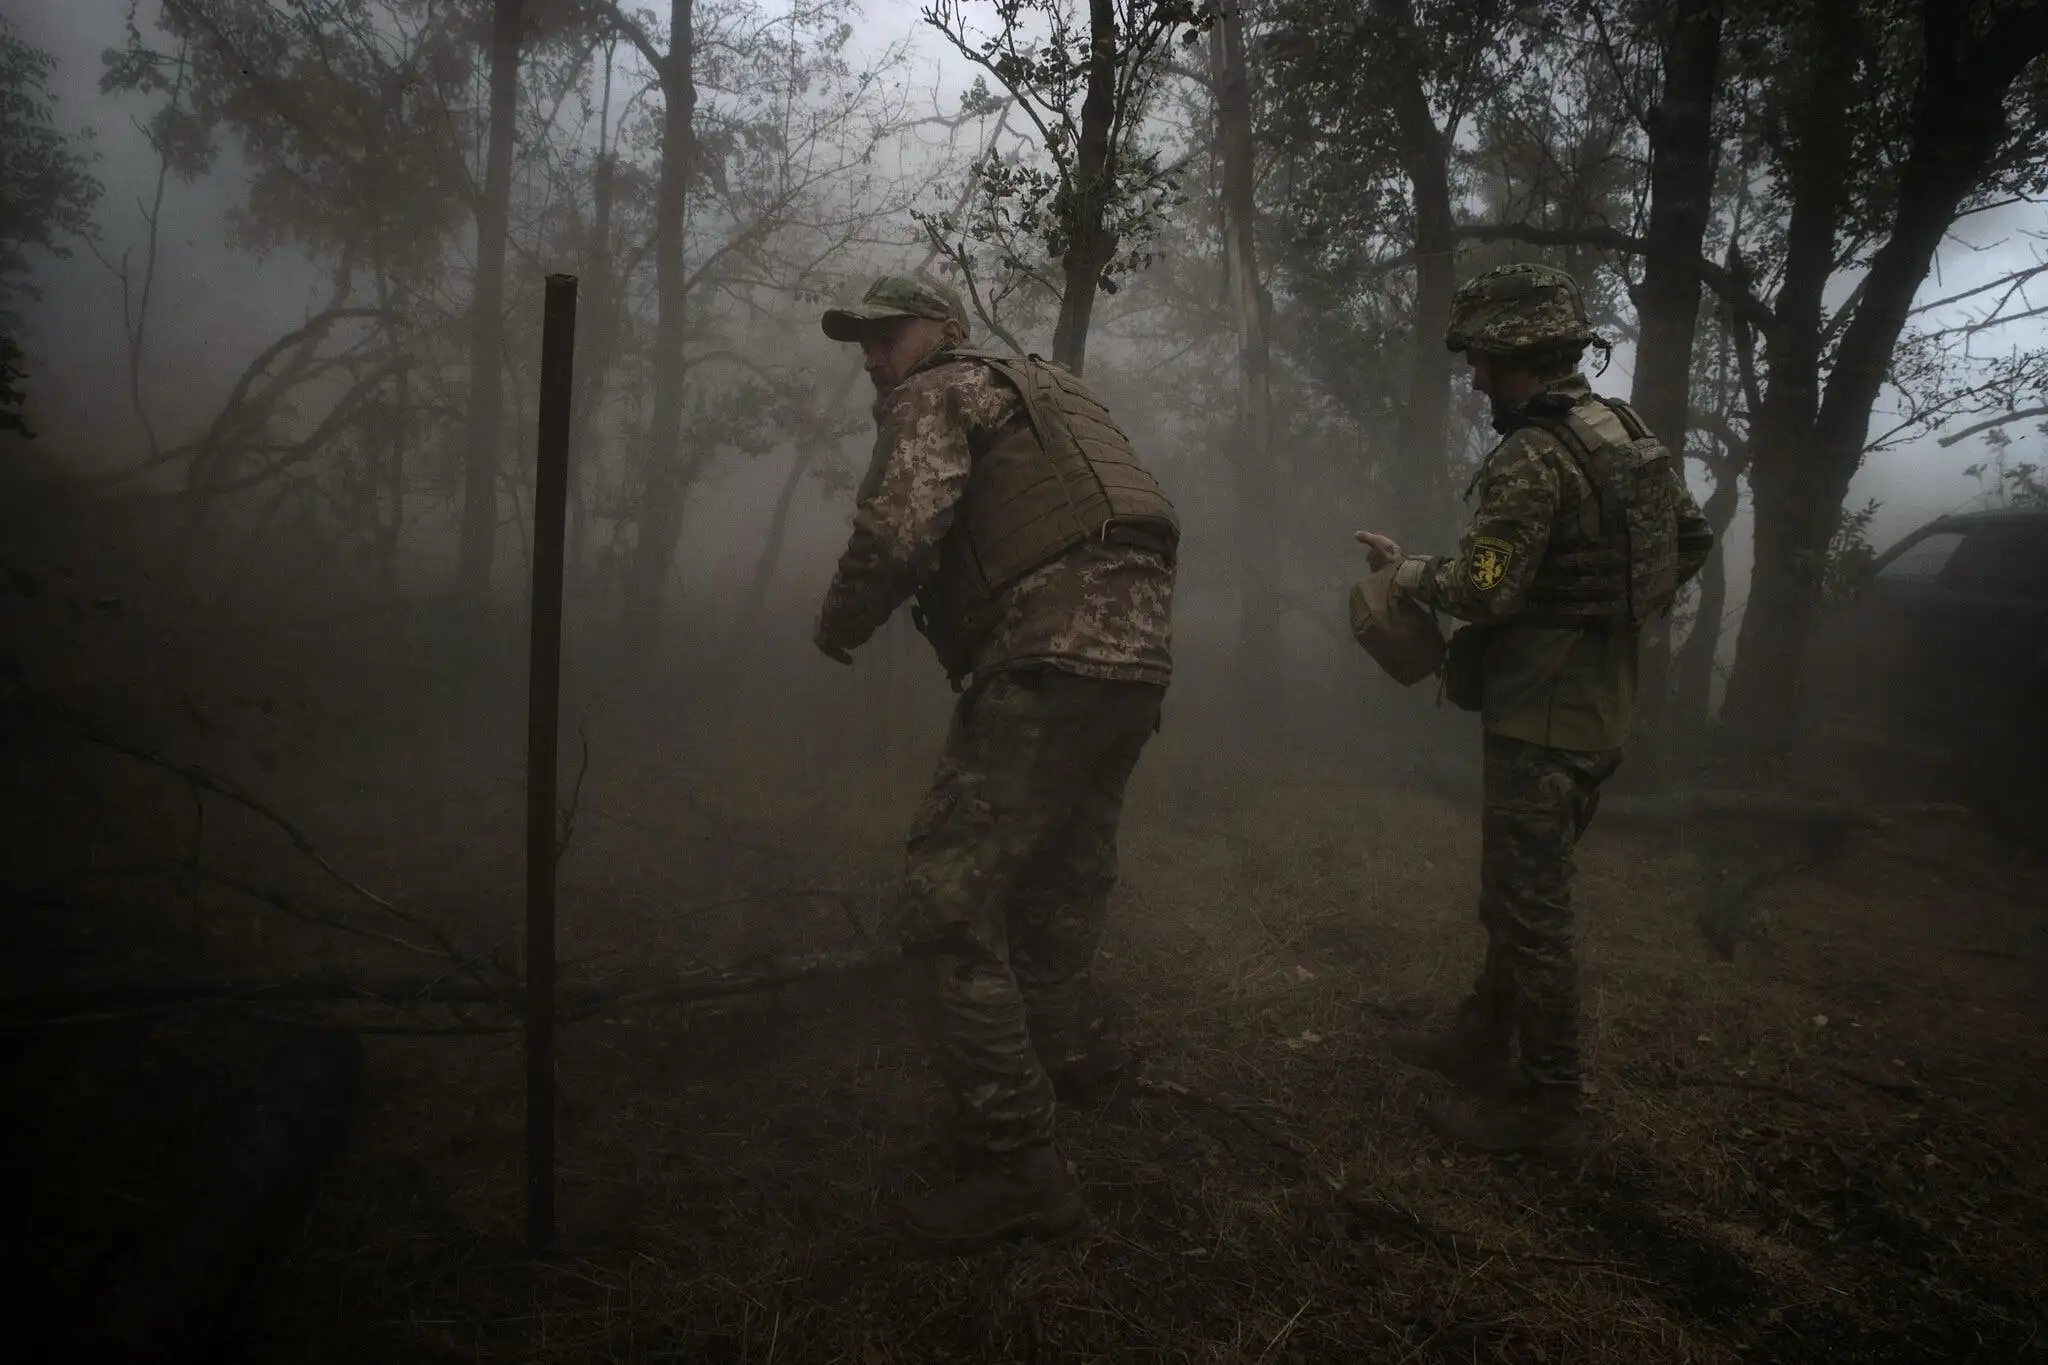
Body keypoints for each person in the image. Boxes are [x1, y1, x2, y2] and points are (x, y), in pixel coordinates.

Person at [811, 273, 1179, 1249]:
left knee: (941, 909)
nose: (871, 359)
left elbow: (896, 534)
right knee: (1057, 886)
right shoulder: (1044, 391)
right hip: (1132, 658)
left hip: (1047, 655)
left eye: (884, 338)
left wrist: (837, 624)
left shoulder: (940, 389)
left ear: (941, 330)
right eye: (863, 342)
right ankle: (1077, 1063)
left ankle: (1020, 1168)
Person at [1355, 262, 1714, 1156]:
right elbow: (1693, 537)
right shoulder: (1619, 430)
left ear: (1517, 351)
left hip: (1541, 719)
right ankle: (1483, 1037)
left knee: (1533, 914)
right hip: (1599, 711)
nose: (1473, 376)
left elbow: (1488, 584)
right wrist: (1608, 611)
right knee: (1515, 897)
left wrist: (1404, 574)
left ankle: (1552, 1109)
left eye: (1480, 357)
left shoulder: (1533, 452)